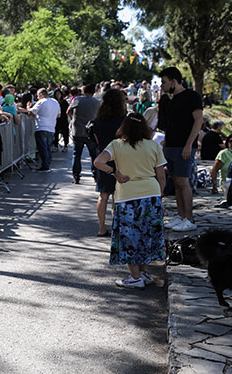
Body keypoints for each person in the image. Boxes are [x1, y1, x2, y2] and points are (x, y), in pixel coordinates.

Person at [93, 113, 167, 288]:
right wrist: (159, 193)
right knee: (146, 235)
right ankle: (142, 272)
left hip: (127, 195)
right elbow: (161, 175)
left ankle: (135, 277)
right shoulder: (153, 145)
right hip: (150, 192)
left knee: (129, 236)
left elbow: (98, 162)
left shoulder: (117, 145)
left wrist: (114, 173)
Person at [160, 67, 204, 232]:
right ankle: (181, 216)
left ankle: (190, 218)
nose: (162, 85)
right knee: (176, 182)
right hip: (171, 146)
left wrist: (188, 144)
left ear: (173, 81)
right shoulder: (170, 100)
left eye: (164, 82)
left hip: (184, 147)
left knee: (183, 182)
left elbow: (198, 121)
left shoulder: (192, 96)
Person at [90, 89, 127, 237]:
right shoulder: (124, 120)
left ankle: (101, 228)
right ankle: (116, 227)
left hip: (103, 158)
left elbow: (96, 139)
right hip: (121, 158)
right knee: (117, 196)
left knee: (103, 195)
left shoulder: (98, 120)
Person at [67, 84, 101, 184]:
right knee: (94, 155)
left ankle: (76, 177)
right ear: (94, 92)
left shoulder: (77, 100)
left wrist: (73, 118)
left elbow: (68, 111)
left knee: (76, 155)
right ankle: (95, 175)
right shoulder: (97, 102)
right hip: (91, 132)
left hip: (78, 130)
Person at [28, 88, 61, 172]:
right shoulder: (55, 102)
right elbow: (58, 115)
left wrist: (28, 107)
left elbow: (32, 112)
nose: (37, 98)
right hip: (51, 127)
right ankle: (47, 164)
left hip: (41, 126)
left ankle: (45, 166)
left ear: (41, 95)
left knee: (42, 148)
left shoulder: (41, 102)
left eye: (38, 96)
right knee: (48, 147)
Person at [211, 135, 232, 207]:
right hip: (228, 184)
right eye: (231, 141)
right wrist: (214, 186)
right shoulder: (224, 154)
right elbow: (214, 170)